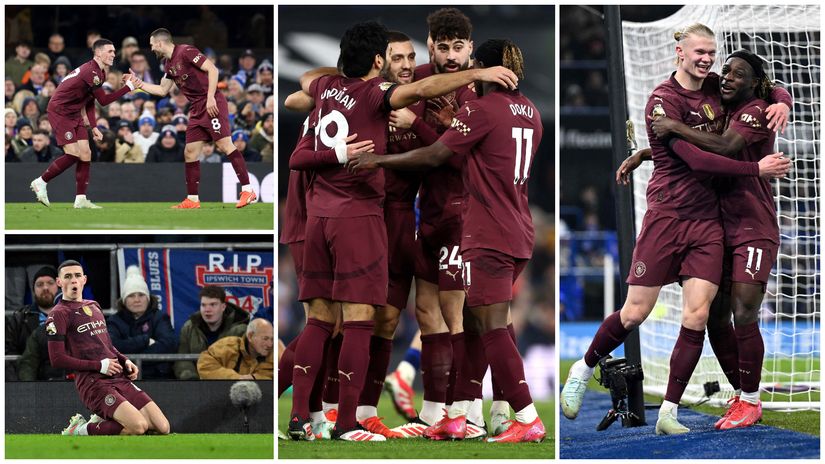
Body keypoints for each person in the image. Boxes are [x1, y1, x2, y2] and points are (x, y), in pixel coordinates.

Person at [286, 20, 518, 442]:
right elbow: (297, 96)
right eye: (399, 58)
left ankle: (460, 410)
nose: (409, 64)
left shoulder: (453, 93)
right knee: (354, 321)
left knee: (433, 314)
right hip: (364, 217)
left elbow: (450, 154)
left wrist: (415, 121)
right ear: (381, 62)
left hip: (423, 218)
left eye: (412, 57)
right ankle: (339, 414)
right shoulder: (381, 93)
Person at [561, 24, 791, 435]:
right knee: (636, 312)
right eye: (700, 52)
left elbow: (760, 85)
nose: (708, 60)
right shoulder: (662, 101)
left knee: (702, 315)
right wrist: (649, 150)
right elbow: (698, 158)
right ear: (679, 53)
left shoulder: (718, 87)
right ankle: (582, 368)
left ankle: (671, 412)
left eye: (712, 53)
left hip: (711, 224)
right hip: (667, 218)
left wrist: (783, 99)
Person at [348, 38, 546, 444]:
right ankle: (457, 415)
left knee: (492, 327)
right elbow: (487, 154)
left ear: (484, 67)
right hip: (519, 228)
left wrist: (377, 159)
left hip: (487, 232)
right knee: (473, 325)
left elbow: (437, 155)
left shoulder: (481, 109)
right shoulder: (532, 112)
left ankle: (526, 417)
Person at [627, 49, 790, 430]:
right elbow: (705, 146)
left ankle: (751, 401)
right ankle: (742, 394)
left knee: (743, 312)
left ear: (754, 83)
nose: (727, 77)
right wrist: (649, 153)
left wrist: (673, 126)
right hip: (720, 225)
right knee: (715, 318)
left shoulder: (753, 110)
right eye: (726, 70)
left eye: (737, 74)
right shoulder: (722, 103)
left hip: (752, 226)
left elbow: (725, 148)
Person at [136, 28, 258, 209]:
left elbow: (213, 69)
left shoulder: (186, 51)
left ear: (160, 43)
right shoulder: (168, 64)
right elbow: (162, 90)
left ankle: (248, 190)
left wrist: (210, 98)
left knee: (224, 144)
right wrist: (139, 84)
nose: (152, 48)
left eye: (152, 44)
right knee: (190, 152)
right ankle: (192, 199)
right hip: (196, 109)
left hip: (212, 102)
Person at [47, 260, 170, 436]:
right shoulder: (58, 314)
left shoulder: (93, 305)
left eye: (77, 275)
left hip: (117, 377)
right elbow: (57, 359)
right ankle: (80, 429)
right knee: (138, 427)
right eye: (68, 276)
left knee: (163, 427)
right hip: (93, 383)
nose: (73, 280)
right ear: (59, 282)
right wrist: (99, 366)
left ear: (84, 279)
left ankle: (104, 419)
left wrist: (124, 360)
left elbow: (106, 345)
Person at [29, 39, 140, 209]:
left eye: (114, 51)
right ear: (98, 53)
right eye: (109, 51)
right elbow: (103, 101)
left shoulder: (99, 73)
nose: (113, 54)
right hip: (60, 111)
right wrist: (129, 87)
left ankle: (80, 199)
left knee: (86, 153)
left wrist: (94, 126)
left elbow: (90, 101)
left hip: (74, 112)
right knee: (73, 154)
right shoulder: (92, 72)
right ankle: (41, 182)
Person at [108, 266, 177, 379]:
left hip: (158, 378)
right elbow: (111, 347)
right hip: (123, 377)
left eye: (141, 295)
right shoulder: (114, 321)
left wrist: (132, 359)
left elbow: (169, 345)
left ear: (148, 298)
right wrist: (145, 341)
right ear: (124, 300)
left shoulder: (160, 317)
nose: (137, 300)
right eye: (131, 296)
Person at [174, 285, 250, 379]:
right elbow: (182, 359)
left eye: (213, 305)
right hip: (196, 382)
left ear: (223, 307)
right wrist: (191, 378)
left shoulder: (241, 331)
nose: (207, 310)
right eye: (203, 305)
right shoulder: (189, 328)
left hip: (229, 381)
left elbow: (247, 363)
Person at [5, 266, 59, 379]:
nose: (45, 288)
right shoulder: (19, 318)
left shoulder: (73, 316)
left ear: (59, 287)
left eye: (50, 283)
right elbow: (8, 355)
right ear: (33, 290)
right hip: (29, 381)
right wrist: (18, 384)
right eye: (39, 284)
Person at [197, 318, 274, 379]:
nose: (270, 344)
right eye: (265, 339)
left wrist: (254, 378)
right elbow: (204, 365)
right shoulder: (227, 346)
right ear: (250, 336)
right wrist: (235, 378)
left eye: (272, 339)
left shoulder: (274, 355)